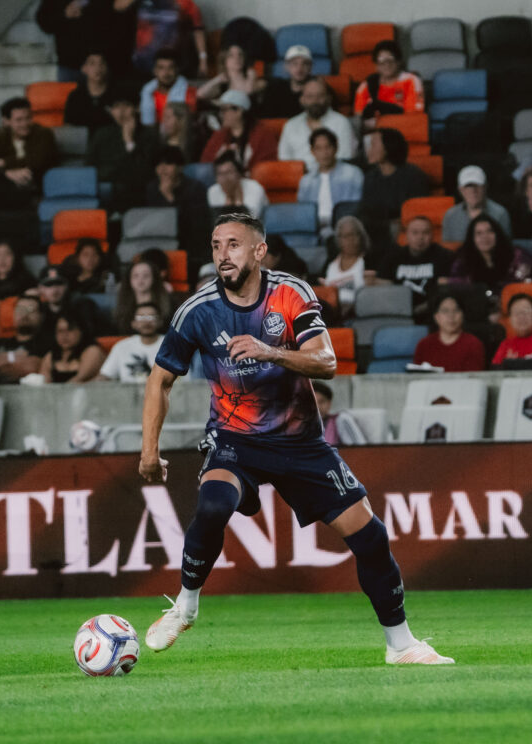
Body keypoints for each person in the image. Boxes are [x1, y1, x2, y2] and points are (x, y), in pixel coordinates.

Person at [139, 210, 454, 665]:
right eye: (215, 245)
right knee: (212, 503)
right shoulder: (198, 310)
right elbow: (159, 380)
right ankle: (186, 605)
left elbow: (327, 361)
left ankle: (401, 645)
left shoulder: (290, 293)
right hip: (235, 439)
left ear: (259, 250)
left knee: (371, 538)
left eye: (233, 244)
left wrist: (270, 350)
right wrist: (150, 450)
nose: (222, 255)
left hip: (300, 441)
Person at [115, 0, 207, 79]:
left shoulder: (184, 1)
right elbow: (119, 6)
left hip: (174, 68)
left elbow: (198, 30)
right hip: (143, 66)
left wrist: (203, 60)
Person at [0, 97, 59, 208]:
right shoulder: (0, 136)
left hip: (38, 182)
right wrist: (7, 174)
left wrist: (2, 162)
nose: (25, 123)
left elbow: (36, 160)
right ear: (6, 121)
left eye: (28, 118)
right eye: (19, 120)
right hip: (6, 184)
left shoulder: (43, 134)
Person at [87, 89, 160, 211]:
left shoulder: (148, 135)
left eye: (126, 106)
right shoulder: (101, 134)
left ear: (136, 108)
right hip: (108, 186)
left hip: (137, 190)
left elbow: (146, 170)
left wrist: (129, 141)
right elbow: (89, 165)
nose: (121, 112)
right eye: (116, 107)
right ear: (110, 111)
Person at [377, 215, 453, 324]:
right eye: (415, 233)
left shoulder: (445, 256)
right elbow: (382, 289)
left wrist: (420, 309)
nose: (420, 237)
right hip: (398, 313)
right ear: (406, 235)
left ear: (432, 235)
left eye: (425, 233)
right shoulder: (392, 258)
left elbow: (445, 292)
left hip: (434, 314)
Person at [359, 127, 429, 241]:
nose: (369, 150)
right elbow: (366, 211)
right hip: (375, 231)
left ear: (387, 148)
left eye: (373, 145)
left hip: (404, 231)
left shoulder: (413, 176)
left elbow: (417, 213)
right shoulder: (370, 177)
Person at [297, 128, 364, 240]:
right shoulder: (306, 181)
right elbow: (302, 213)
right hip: (314, 229)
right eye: (319, 148)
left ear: (336, 148)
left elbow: (356, 210)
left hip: (343, 229)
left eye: (328, 147)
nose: (324, 153)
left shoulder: (353, 174)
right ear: (312, 151)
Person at [146, 145, 211, 258]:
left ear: (180, 167)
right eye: (158, 164)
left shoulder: (195, 188)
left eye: (168, 163)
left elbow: (194, 226)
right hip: (160, 239)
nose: (162, 169)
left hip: (189, 243)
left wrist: (169, 197)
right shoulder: (152, 188)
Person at [278, 77, 357, 170]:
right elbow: (284, 160)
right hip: (298, 180)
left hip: (333, 178)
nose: (315, 101)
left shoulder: (341, 122)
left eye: (320, 96)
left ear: (328, 98)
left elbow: (345, 158)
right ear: (302, 100)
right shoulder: (290, 125)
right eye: (310, 96)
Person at [0, 296, 49, 383]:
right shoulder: (0, 342)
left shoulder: (45, 344)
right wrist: (12, 357)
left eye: (30, 310)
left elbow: (33, 366)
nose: (24, 315)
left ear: (41, 316)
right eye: (20, 310)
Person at [450, 216, 532, 293]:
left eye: (490, 231)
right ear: (472, 239)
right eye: (479, 233)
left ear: (497, 234)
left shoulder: (518, 255)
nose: (485, 237)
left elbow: (521, 284)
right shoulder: (462, 259)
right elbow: (457, 285)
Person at [199, 90, 277, 171]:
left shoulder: (262, 134)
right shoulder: (220, 134)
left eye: (224, 110)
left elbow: (265, 165)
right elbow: (206, 161)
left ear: (239, 111)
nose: (220, 114)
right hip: (220, 178)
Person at [411, 293, 486, 372]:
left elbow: (474, 378)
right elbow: (418, 378)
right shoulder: (424, 345)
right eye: (445, 311)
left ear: (463, 315)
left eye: (456, 310)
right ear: (436, 316)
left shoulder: (473, 344)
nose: (451, 316)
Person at [353, 40, 424, 121]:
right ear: (376, 65)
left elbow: (413, 116)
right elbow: (358, 119)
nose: (386, 65)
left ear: (398, 61)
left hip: (404, 127)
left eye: (390, 60)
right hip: (372, 129)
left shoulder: (411, 80)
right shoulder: (367, 85)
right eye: (381, 61)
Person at [96, 301, 165, 383]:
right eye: (141, 317)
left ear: (160, 321)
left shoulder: (173, 345)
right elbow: (105, 376)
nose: (146, 322)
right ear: (133, 323)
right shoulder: (121, 347)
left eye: (152, 317)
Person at [442, 165, 512, 244]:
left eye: (477, 185)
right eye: (468, 186)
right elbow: (448, 248)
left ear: (485, 187)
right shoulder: (450, 216)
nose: (473, 190)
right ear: (460, 190)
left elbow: (506, 248)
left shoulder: (500, 214)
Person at [40, 310, 105, 383]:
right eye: (60, 331)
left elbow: (78, 380)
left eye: (70, 330)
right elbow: (44, 384)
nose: (64, 335)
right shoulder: (50, 356)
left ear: (81, 331)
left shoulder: (93, 351)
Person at [323, 215, 372, 311]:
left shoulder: (370, 261)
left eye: (354, 234)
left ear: (361, 236)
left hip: (359, 312)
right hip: (332, 312)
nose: (351, 240)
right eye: (346, 236)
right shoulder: (330, 263)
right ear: (339, 239)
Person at [64, 52, 120, 133]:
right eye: (92, 63)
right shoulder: (75, 97)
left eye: (102, 63)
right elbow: (69, 128)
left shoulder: (117, 94)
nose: (98, 68)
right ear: (83, 68)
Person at [140, 49, 197, 127]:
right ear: (155, 71)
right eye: (161, 68)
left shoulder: (188, 92)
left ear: (176, 70)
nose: (166, 72)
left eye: (170, 68)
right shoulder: (148, 94)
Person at [114, 258, 172, 332]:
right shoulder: (122, 306)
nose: (140, 280)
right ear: (129, 280)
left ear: (154, 278)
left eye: (146, 275)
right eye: (135, 276)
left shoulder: (168, 303)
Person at [0, 240, 38, 311]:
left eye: (7, 254)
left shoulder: (28, 282)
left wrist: (0, 304)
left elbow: (30, 308)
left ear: (15, 257)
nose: (2, 259)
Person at [207, 152, 268, 218]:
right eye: (220, 174)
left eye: (229, 172)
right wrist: (229, 199)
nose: (225, 178)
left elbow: (250, 220)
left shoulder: (255, 188)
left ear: (239, 173)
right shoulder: (212, 191)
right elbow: (216, 222)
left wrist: (238, 200)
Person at [198, 44, 264, 104]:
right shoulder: (222, 85)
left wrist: (251, 78)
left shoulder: (252, 78)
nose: (237, 58)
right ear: (224, 61)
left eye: (240, 54)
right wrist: (217, 79)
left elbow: (247, 93)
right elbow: (199, 94)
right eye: (231, 55)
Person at [261, 45, 313, 119]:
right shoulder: (275, 89)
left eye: (305, 64)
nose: (299, 68)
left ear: (310, 67)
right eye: (295, 64)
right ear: (286, 66)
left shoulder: (319, 90)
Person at [312, 381, 368, 447]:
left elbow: (360, 450)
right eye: (312, 402)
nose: (318, 407)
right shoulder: (299, 427)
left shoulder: (341, 420)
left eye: (321, 402)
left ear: (329, 403)